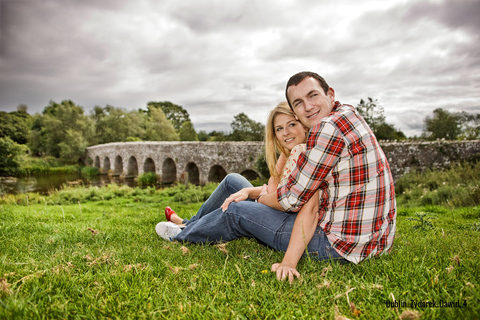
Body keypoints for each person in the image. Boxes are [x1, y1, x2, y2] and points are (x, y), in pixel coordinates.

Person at [257, 71, 397, 274]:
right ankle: (192, 223)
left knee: (236, 211)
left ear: (330, 94)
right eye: (298, 102)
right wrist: (254, 192)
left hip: (340, 245)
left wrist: (259, 200)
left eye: (313, 95)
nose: (308, 106)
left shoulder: (326, 129)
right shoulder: (347, 113)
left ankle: (191, 231)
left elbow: (292, 200)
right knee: (234, 183)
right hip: (374, 240)